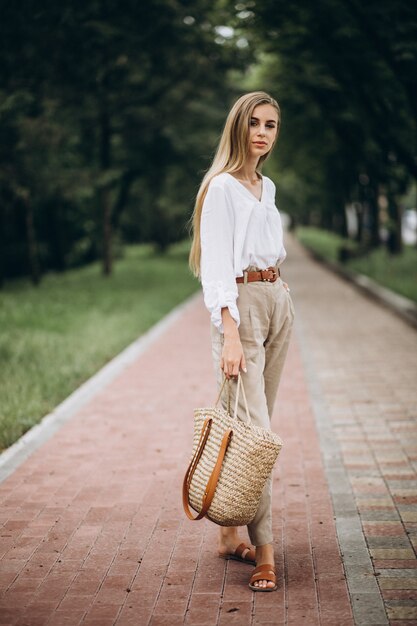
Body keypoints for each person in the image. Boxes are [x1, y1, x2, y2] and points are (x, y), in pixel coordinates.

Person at [189, 91, 294, 592]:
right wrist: (229, 331)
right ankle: (266, 551)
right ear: (238, 127)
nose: (262, 132)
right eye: (254, 122)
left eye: (271, 125)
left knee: (252, 426)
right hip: (242, 311)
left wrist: (281, 290)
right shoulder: (221, 188)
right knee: (261, 436)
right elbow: (215, 269)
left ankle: (230, 536)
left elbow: (268, 245)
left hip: (277, 302)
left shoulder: (265, 186)